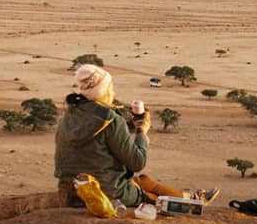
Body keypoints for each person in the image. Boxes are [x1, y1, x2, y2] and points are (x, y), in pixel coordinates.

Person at [55, 64, 215, 208]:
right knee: (150, 198)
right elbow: (137, 162)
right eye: (110, 88)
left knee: (144, 181)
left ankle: (192, 197)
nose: (113, 92)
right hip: (105, 193)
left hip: (71, 192)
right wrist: (141, 132)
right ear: (103, 90)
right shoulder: (109, 120)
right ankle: (193, 204)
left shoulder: (66, 117)